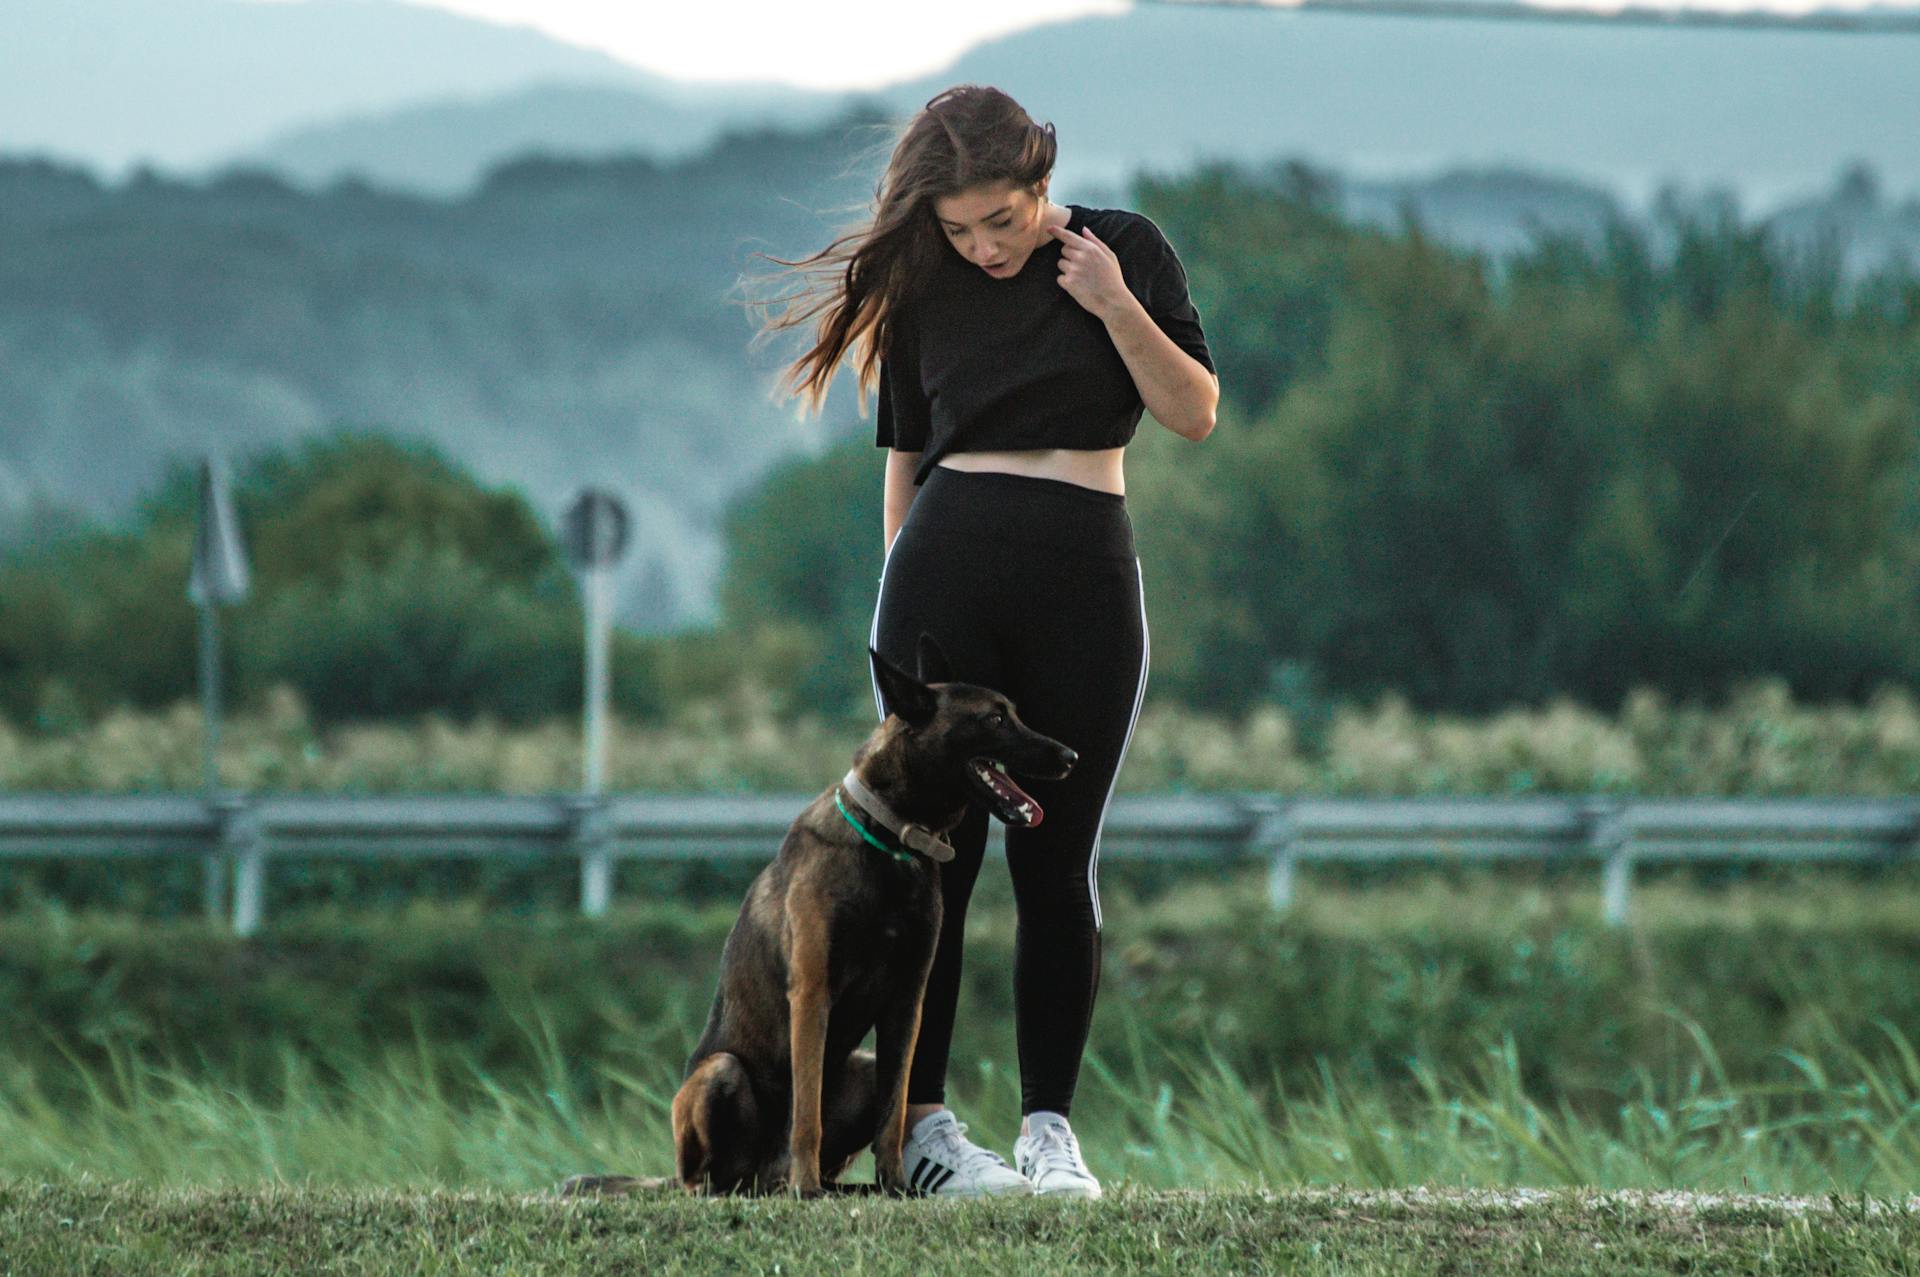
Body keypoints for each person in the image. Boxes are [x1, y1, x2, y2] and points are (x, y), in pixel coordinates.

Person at [755, 83, 1218, 1198]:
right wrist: (893, 605)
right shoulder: (926, 284)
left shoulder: (1126, 251)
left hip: (1086, 573)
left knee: (1056, 860)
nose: (982, 246)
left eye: (1000, 220)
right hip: (947, 568)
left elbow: (1195, 409)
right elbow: (904, 460)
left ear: (1040, 181)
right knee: (932, 866)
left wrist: (1112, 303)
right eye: (958, 230)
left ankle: (1050, 1133)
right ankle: (923, 1133)